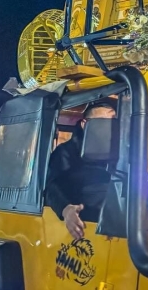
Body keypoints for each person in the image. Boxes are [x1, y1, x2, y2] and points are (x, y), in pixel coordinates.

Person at [46, 100, 116, 240]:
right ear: (84, 124)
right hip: (84, 225)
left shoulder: (125, 154)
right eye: (101, 123)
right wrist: (66, 209)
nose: (107, 129)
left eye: (113, 124)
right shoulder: (66, 152)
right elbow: (52, 188)